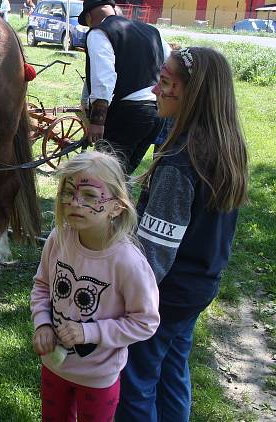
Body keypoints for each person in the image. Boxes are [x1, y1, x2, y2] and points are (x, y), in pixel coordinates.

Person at [116, 47, 249, 421]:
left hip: (165, 295)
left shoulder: (180, 161)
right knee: (172, 370)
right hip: (199, 285)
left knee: (135, 381)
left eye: (165, 82)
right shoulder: (225, 146)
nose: (155, 91)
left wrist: (127, 298)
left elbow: (154, 255)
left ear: (192, 93)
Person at [31, 151, 160, 422]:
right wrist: (42, 323)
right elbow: (42, 285)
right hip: (53, 366)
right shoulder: (59, 239)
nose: (75, 202)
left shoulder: (128, 262)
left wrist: (90, 332)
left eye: (89, 195)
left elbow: (145, 321)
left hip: (98, 377)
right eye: (68, 192)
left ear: (116, 206)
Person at [79, 0, 171, 175]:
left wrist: (97, 121)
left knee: (106, 178)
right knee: (122, 175)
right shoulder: (151, 31)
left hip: (128, 115)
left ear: (89, 17)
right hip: (156, 114)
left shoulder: (99, 32)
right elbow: (170, 64)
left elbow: (103, 79)